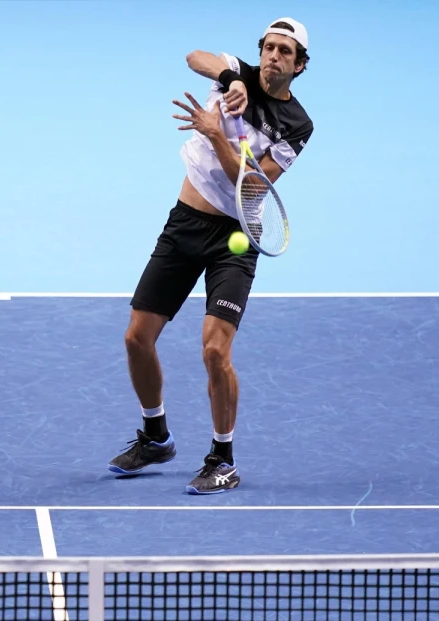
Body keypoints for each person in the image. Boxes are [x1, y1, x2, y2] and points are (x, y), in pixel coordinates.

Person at [108, 17, 314, 494]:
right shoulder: (236, 72)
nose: (274, 56)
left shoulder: (298, 125)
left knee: (215, 350)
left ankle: (223, 459)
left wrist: (216, 133)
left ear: (299, 66)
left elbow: (253, 187)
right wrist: (230, 80)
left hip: (235, 239)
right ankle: (155, 436)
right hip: (184, 225)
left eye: (285, 52)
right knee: (137, 337)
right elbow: (194, 57)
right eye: (269, 47)